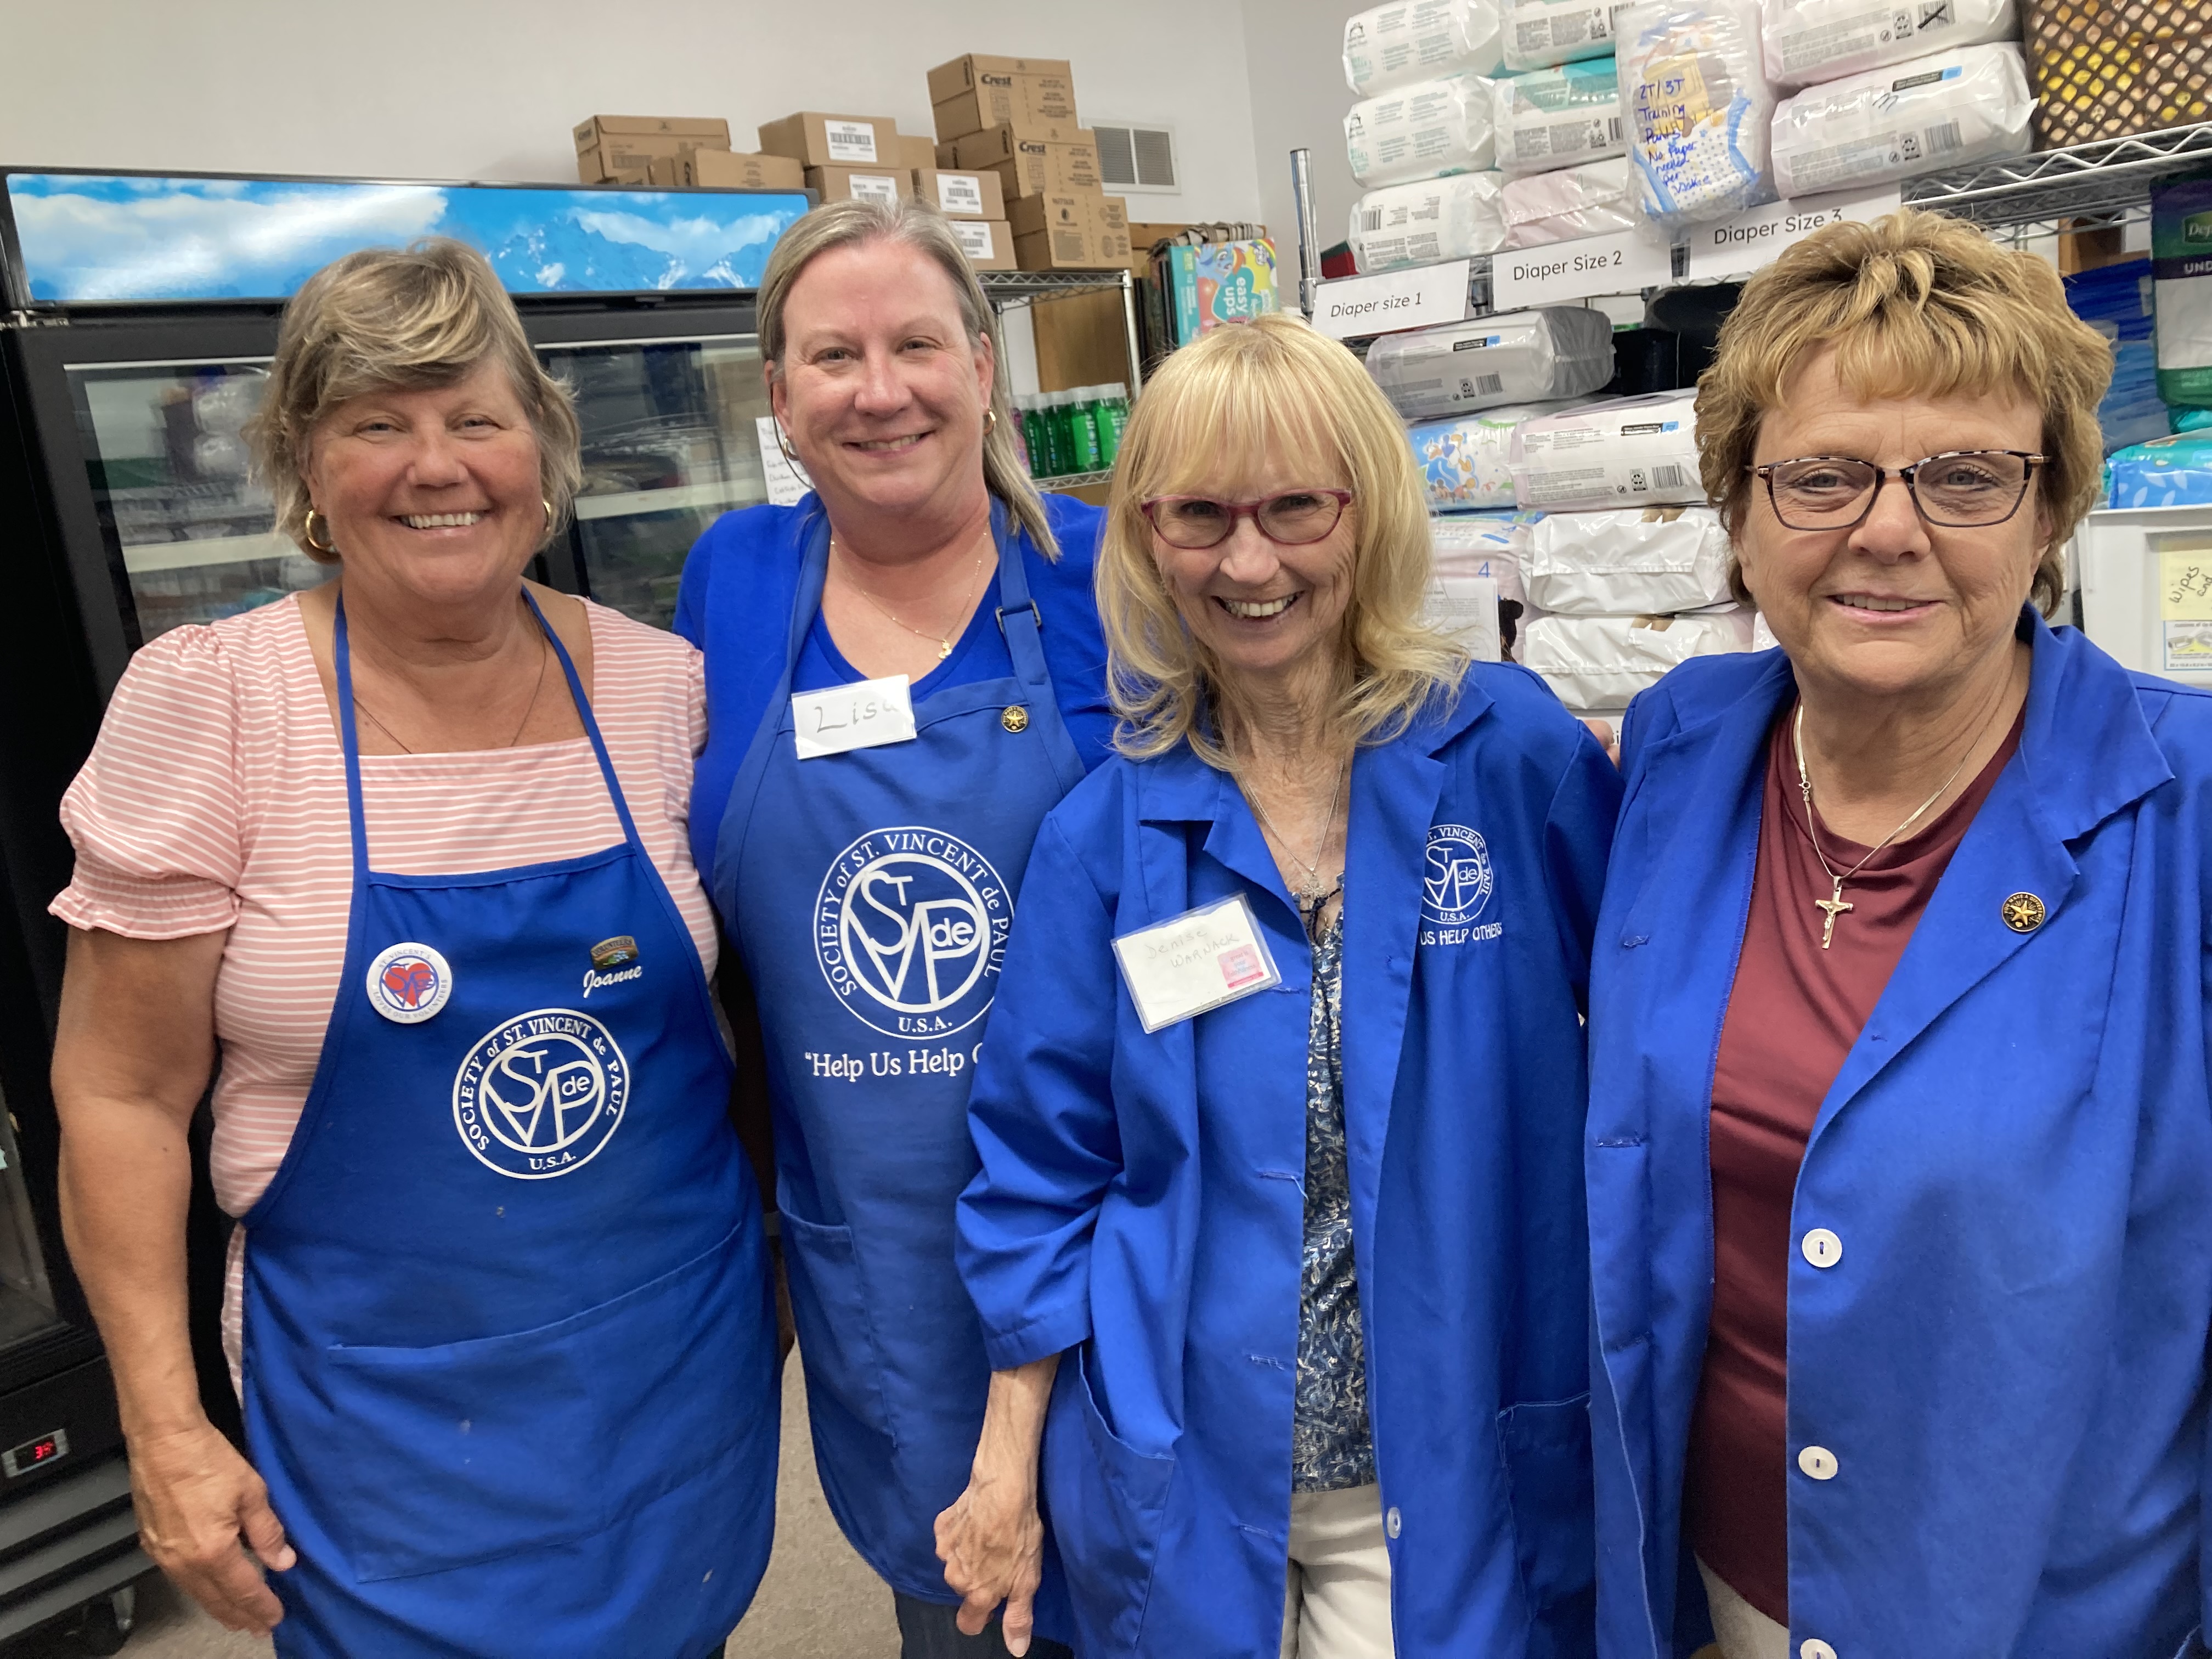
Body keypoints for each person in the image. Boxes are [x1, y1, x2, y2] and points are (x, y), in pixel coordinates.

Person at [48, 239, 776, 1659]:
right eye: (376, 422)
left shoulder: (656, 685)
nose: (435, 465)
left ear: (542, 453)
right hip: (381, 1426)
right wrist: (163, 1424)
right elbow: (119, 1098)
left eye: (477, 419)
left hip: (674, 1374)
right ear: (305, 467)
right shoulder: (215, 706)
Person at [943, 313, 1621, 1659]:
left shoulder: (1512, 760)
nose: (1248, 562)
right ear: (1143, 534)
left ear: (1364, 513)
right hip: (1192, 1465)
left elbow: (1657, 1060)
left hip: (1456, 1456)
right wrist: (1005, 1459)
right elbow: (1039, 1163)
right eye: (1199, 515)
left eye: (1295, 508)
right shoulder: (1107, 837)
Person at [1585, 207, 2212, 1659]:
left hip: (2037, 1615)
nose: (1887, 528)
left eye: (1967, 477)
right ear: (1740, 518)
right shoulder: (1683, 754)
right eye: (1821, 477)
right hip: (1720, 1587)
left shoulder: (2179, 815)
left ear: (2053, 511)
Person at [674, 196, 1108, 1659]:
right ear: (779, 400)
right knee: (962, 1612)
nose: (882, 390)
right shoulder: (733, 583)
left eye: (917, 343)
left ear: (986, 369)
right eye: (833, 356)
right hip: (883, 1238)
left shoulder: (1119, 575)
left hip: (1124, 1202)